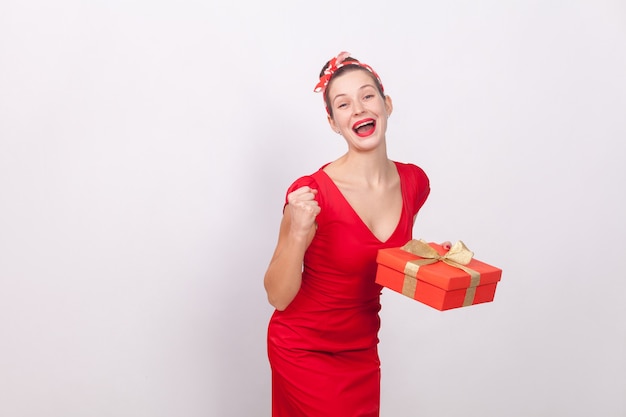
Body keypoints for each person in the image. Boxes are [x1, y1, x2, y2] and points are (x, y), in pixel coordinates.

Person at [264, 51, 441, 417]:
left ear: (386, 104)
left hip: (361, 350)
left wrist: (436, 263)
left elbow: (379, 260)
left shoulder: (414, 183)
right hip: (303, 348)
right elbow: (278, 297)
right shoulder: (311, 192)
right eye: (343, 104)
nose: (358, 109)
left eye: (367, 96)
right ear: (333, 123)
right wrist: (298, 232)